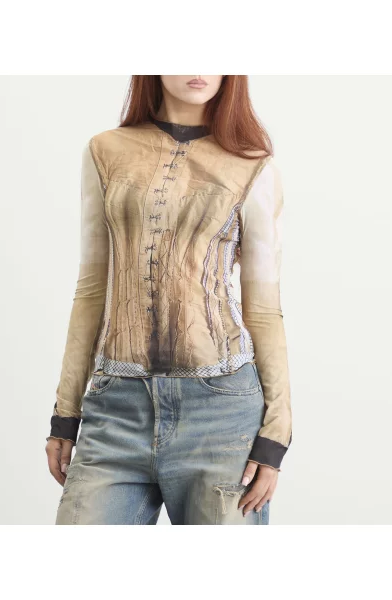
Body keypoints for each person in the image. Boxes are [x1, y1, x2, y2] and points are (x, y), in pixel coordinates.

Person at [45, 75, 292, 525]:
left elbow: (262, 309)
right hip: (115, 411)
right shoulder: (105, 151)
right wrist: (66, 412)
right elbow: (93, 290)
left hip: (222, 416)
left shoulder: (253, 166)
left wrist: (276, 434)